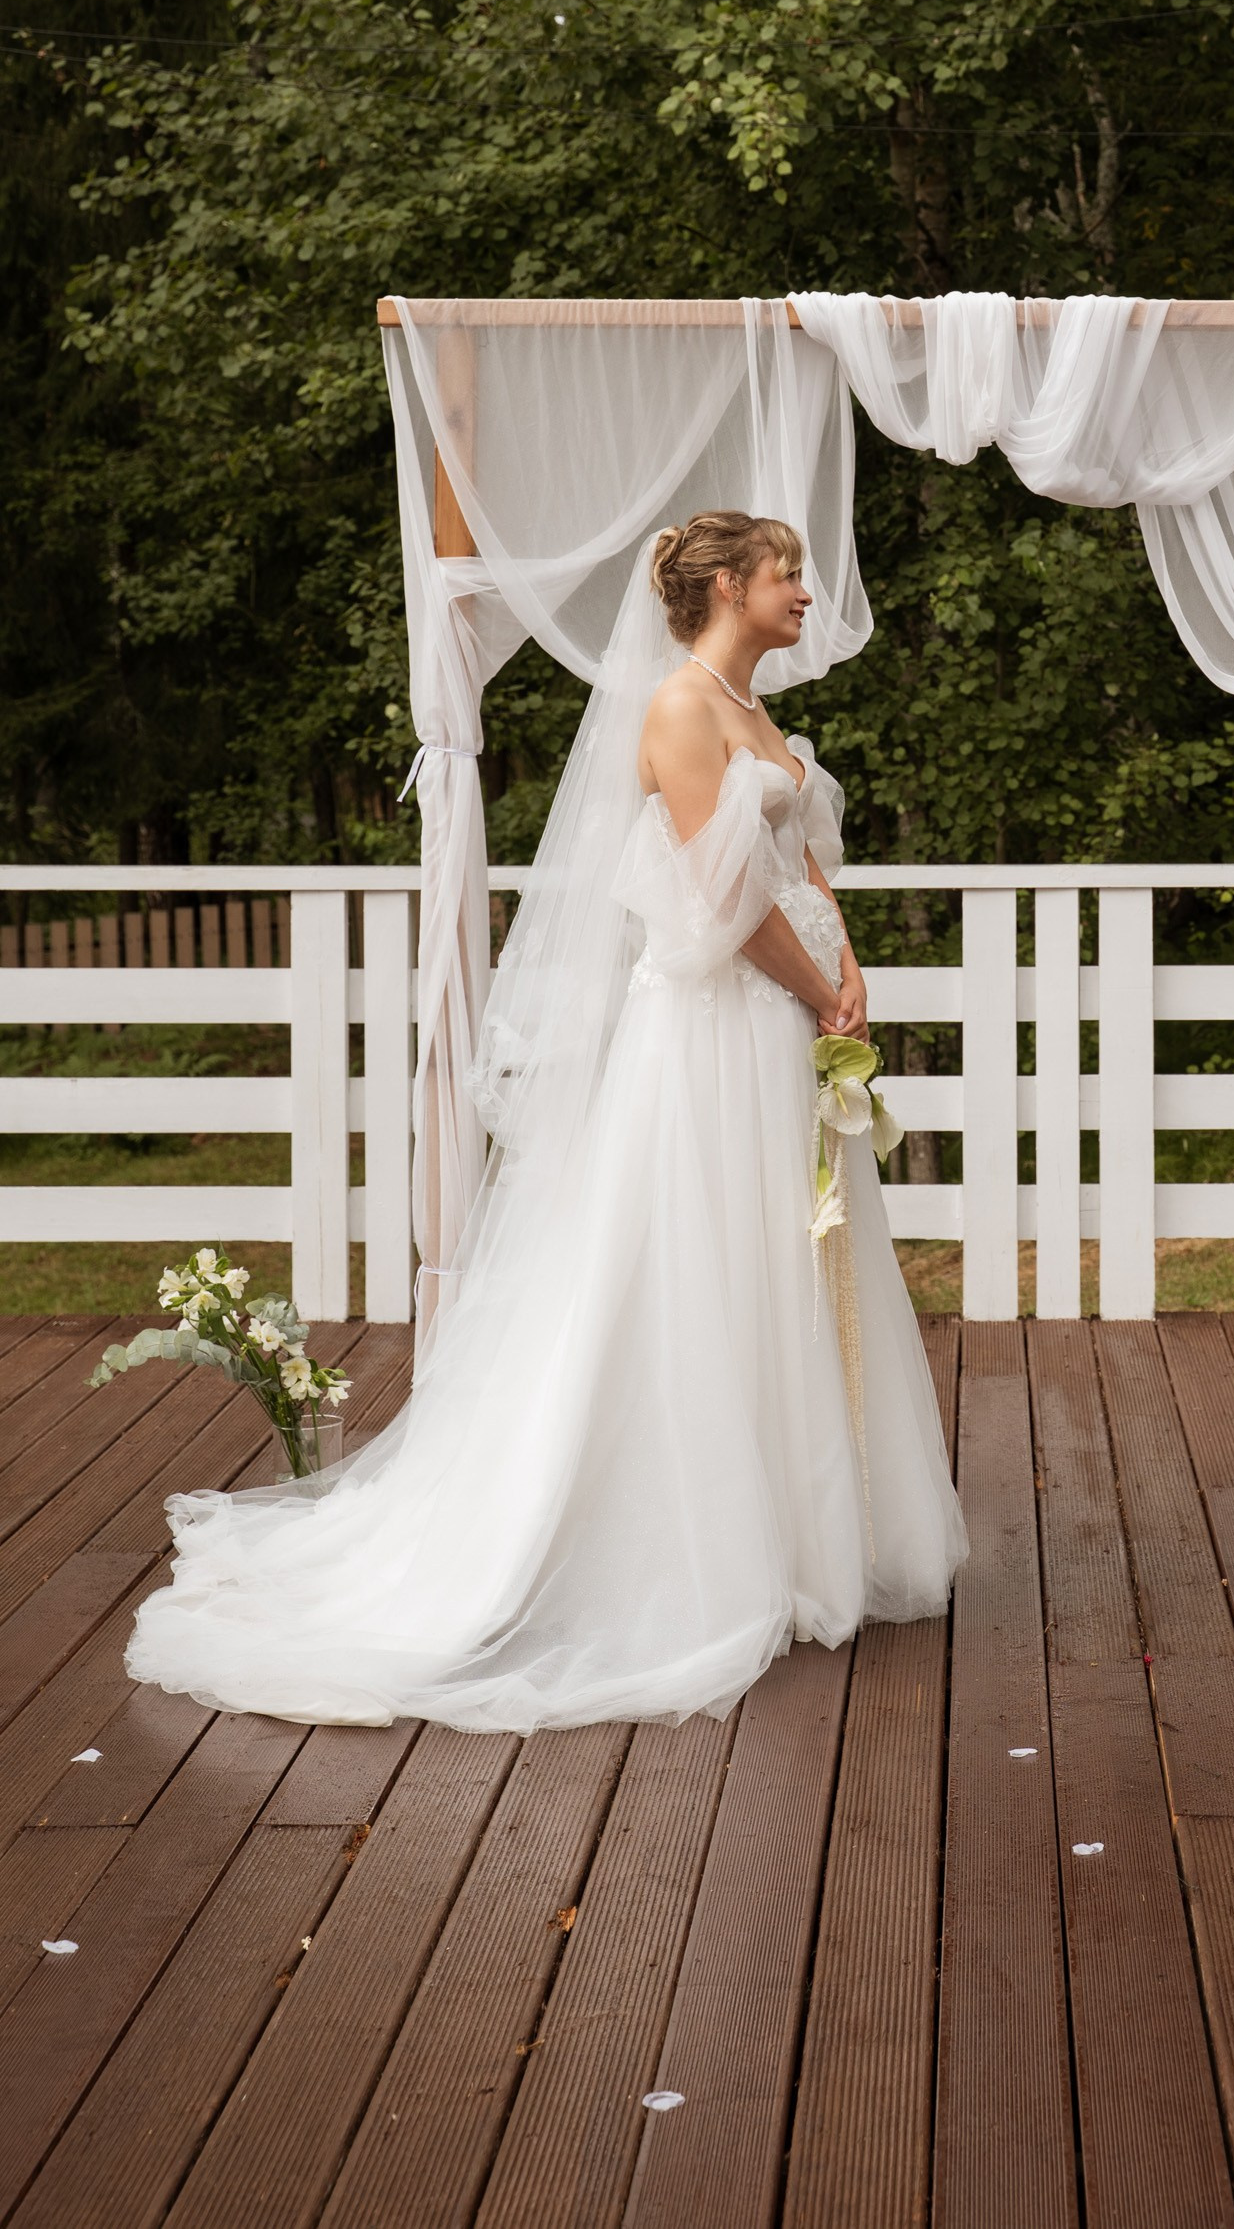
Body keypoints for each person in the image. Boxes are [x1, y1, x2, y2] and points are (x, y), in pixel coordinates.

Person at [126, 511, 966, 1731]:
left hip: (782, 1024)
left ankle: (802, 1524)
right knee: (695, 1264)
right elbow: (721, 897)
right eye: (787, 571)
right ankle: (683, 1540)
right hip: (715, 1031)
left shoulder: (755, 711)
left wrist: (846, 971)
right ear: (729, 584)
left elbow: (794, 859)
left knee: (786, 1262)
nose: (804, 590)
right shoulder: (680, 709)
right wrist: (816, 982)